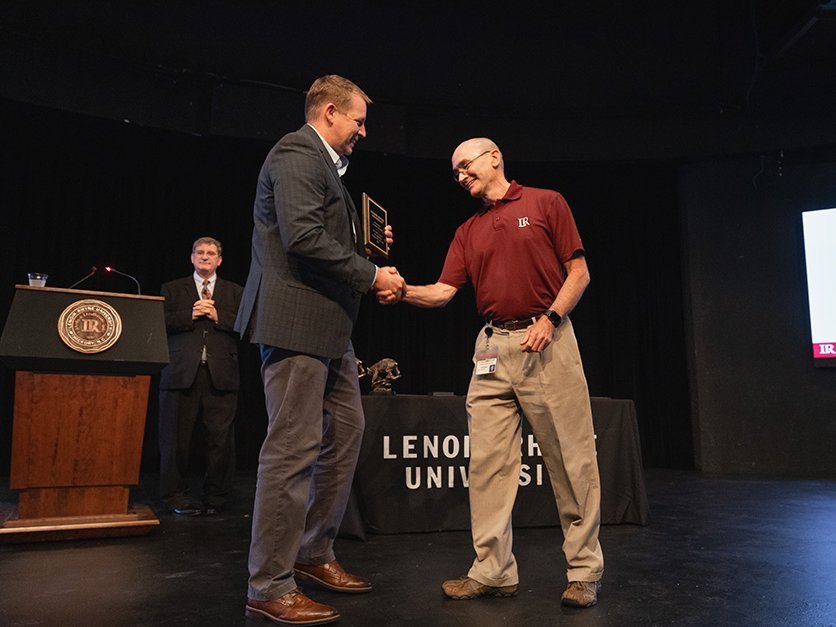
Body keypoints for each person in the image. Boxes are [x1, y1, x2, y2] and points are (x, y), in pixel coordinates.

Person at [400, 138, 605, 608]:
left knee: (572, 461)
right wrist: (397, 290)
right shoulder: (467, 231)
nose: (460, 175)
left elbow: (580, 273)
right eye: (454, 172)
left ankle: (584, 571)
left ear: (494, 157)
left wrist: (550, 320)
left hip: (547, 339)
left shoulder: (545, 202)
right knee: (488, 465)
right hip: (492, 347)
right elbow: (442, 292)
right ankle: (492, 571)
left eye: (465, 165)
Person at [235, 75, 404, 625]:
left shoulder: (325, 167)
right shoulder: (296, 153)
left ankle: (311, 552)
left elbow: (321, 236)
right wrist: (371, 272)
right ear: (329, 113)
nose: (362, 130)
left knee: (345, 434)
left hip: (330, 330)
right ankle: (268, 583)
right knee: (292, 450)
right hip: (295, 323)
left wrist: (367, 249)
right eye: (357, 120)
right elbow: (303, 237)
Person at [158, 236, 243, 516]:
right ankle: (175, 497)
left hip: (221, 374)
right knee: (175, 439)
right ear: (192, 258)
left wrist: (219, 316)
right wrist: (189, 314)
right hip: (181, 373)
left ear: (219, 260)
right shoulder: (171, 289)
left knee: (220, 440)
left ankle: (216, 498)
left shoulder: (235, 292)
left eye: (211, 253)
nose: (205, 257)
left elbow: (248, 326)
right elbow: (156, 323)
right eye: (200, 252)